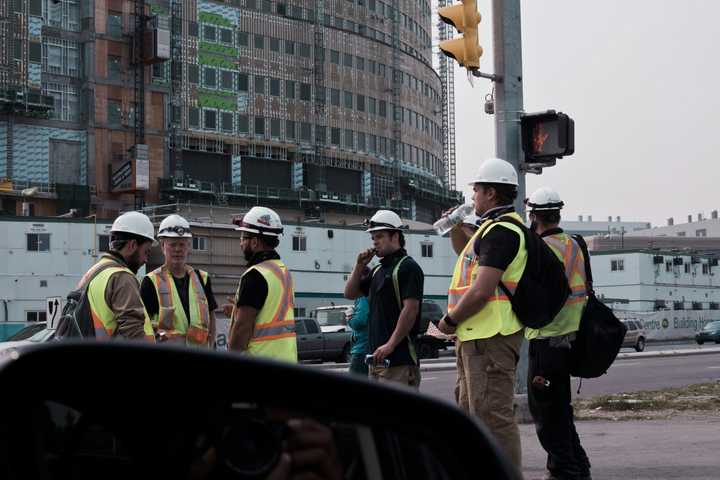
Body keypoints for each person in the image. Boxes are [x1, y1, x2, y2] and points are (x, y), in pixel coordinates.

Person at [437, 157, 526, 468]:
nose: (472, 196)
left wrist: (449, 321)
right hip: (477, 336)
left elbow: (481, 290)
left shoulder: (502, 231)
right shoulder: (487, 229)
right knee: (475, 415)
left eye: (476, 190)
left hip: (492, 336)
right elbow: (464, 251)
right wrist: (456, 225)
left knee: (495, 420)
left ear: (490, 193)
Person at [525, 187, 592, 480]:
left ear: (534, 215)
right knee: (561, 412)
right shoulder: (573, 243)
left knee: (547, 415)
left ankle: (564, 472)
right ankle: (579, 468)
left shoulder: (540, 248)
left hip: (547, 338)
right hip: (570, 338)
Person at [344, 210, 424, 388]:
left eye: (379, 236)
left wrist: (390, 345)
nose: (375, 242)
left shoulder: (408, 267)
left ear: (395, 236)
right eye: (373, 238)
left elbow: (410, 310)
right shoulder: (378, 270)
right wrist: (359, 266)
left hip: (398, 360)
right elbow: (350, 293)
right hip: (376, 359)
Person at [224, 206, 297, 362]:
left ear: (255, 242)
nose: (241, 243)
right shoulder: (283, 271)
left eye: (243, 237)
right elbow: (270, 315)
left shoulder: (254, 276)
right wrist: (235, 312)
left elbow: (243, 329)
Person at [140, 214, 217, 347]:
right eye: (173, 244)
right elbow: (142, 324)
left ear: (188, 246)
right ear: (162, 246)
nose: (178, 249)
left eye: (182, 244)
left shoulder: (202, 278)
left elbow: (212, 317)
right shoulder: (151, 281)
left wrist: (213, 345)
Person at [79, 211, 156, 341]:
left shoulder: (95, 271)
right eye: (146, 252)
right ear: (132, 245)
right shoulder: (122, 277)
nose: (146, 260)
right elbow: (133, 333)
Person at [347, 295, 370, 376]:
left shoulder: (362, 297)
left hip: (361, 348)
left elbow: (359, 321)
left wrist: (350, 317)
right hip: (372, 347)